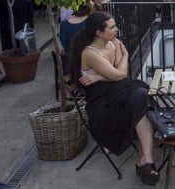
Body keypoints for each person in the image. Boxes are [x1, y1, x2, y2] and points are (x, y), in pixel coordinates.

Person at [67, 11, 160, 185]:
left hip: (117, 91)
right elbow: (120, 74)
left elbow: (120, 76)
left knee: (141, 97)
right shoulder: (90, 53)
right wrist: (124, 55)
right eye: (112, 27)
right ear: (99, 33)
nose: (116, 29)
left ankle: (146, 158)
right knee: (141, 97)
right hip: (102, 103)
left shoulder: (112, 42)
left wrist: (101, 76)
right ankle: (144, 159)